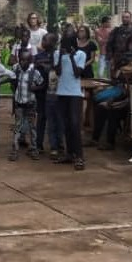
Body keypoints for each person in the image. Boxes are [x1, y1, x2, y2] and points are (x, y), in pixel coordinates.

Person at [54, 31, 87, 170]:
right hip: (61, 93)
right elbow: (58, 72)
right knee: (66, 124)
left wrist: (72, 58)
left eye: (68, 43)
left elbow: (77, 73)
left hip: (74, 94)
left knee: (74, 124)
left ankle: (79, 156)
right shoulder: (58, 54)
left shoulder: (81, 55)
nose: (65, 46)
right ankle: (69, 154)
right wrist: (62, 56)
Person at [10, 50, 44, 161]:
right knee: (17, 127)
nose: (23, 62)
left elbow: (42, 84)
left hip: (30, 104)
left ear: (30, 61)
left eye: (26, 60)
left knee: (32, 127)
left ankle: (33, 149)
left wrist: (35, 88)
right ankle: (15, 150)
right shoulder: (16, 69)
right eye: (21, 60)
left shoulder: (34, 72)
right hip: (19, 103)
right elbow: (12, 79)